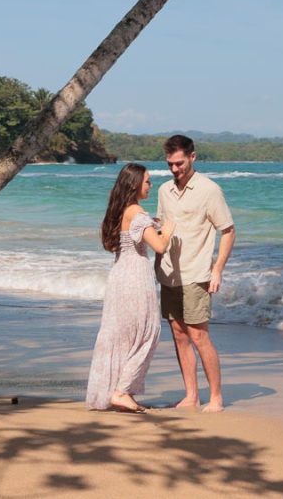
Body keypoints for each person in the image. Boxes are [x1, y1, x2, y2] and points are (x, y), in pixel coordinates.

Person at [155, 135, 236, 413]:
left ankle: (216, 397)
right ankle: (191, 395)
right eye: (170, 164)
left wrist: (217, 270)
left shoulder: (209, 190)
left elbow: (228, 230)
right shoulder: (164, 190)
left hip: (196, 273)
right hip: (168, 274)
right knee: (178, 334)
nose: (175, 169)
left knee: (199, 336)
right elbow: (163, 229)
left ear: (193, 157)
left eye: (179, 163)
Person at [86, 163, 175, 412]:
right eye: (147, 181)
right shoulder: (136, 212)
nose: (150, 185)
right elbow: (159, 246)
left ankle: (118, 390)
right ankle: (122, 390)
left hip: (119, 274)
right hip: (135, 276)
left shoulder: (123, 210)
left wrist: (152, 223)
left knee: (121, 334)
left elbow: (132, 235)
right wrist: (167, 230)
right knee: (148, 331)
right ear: (136, 184)